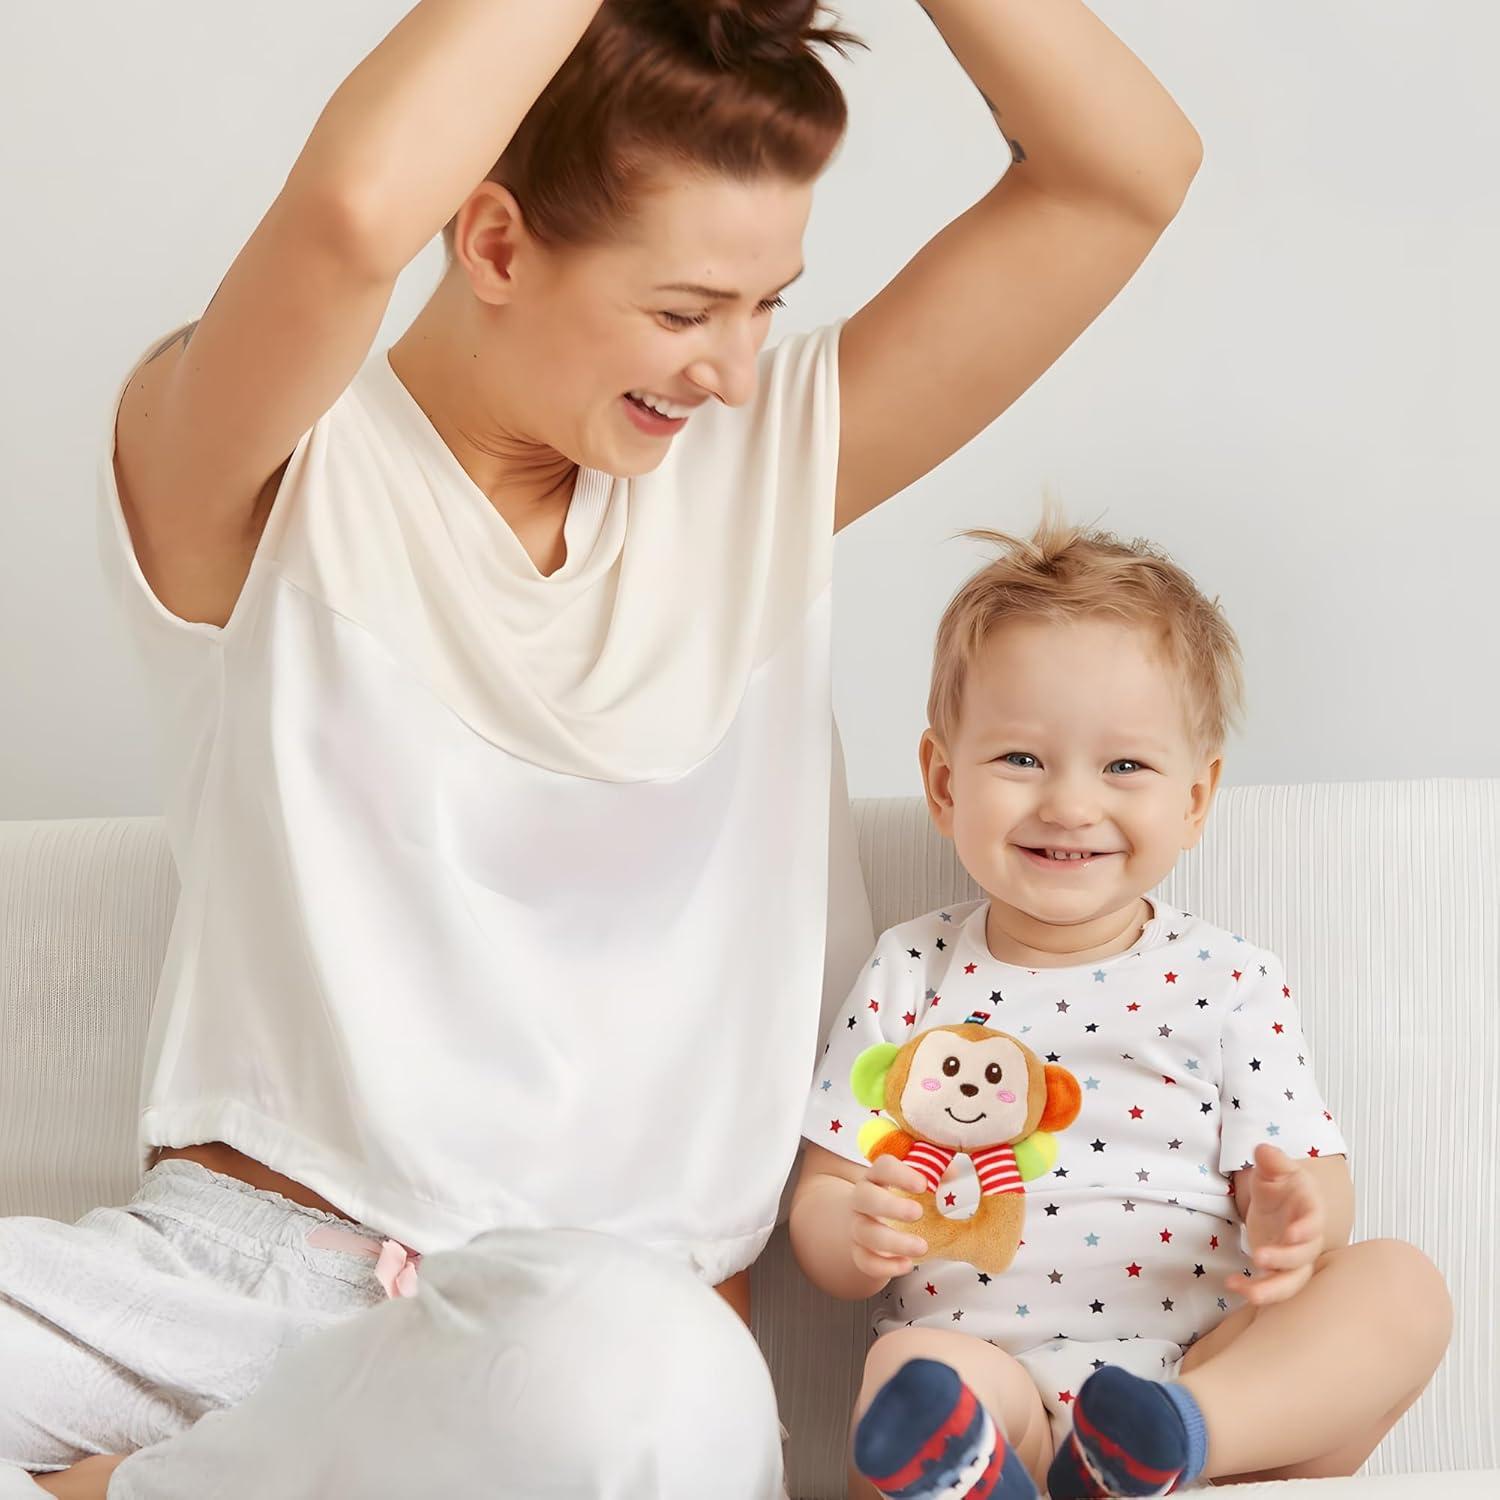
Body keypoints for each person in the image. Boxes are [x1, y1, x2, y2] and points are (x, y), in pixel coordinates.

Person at [0, 3, 1205, 1496]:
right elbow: (351, 212)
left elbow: (1123, 173)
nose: (735, 370)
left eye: (769, 307)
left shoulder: (759, 473)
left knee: (628, 1384)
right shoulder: (262, 470)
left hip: (584, 1359)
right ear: (494, 244)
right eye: (687, 309)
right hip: (216, 1289)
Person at [790, 513, 1453, 1499]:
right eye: (1020, 759)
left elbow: (1317, 1183)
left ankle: (1164, 1443)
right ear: (942, 781)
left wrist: (1296, 1219)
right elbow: (826, 1188)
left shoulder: (1231, 979)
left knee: (1403, 1288)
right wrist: (852, 1233)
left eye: (1125, 766)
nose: (1069, 802)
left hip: (1206, 1370)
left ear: (1196, 798)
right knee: (905, 1378)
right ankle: (977, 1465)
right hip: (987, 1379)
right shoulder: (911, 970)